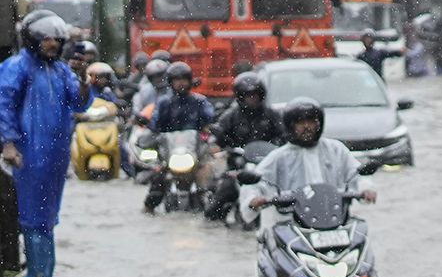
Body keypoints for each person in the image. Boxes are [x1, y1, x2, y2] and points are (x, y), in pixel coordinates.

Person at [0, 10, 88, 277]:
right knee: (33, 218)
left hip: (55, 155)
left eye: (56, 39)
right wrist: (9, 144)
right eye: (47, 39)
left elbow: (79, 102)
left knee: (48, 218)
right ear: (33, 38)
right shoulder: (17, 67)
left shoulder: (61, 70)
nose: (53, 44)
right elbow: (5, 106)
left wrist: (84, 79)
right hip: (28, 154)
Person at [247, 98, 376, 230]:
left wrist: (366, 189)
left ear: (319, 123)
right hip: (291, 225)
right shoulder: (279, 157)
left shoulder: (336, 149)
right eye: (300, 122)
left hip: (336, 222)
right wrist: (254, 199)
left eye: (311, 121)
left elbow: (356, 173)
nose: (307, 126)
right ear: (290, 125)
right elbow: (256, 183)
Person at [203, 71, 285, 221]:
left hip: (266, 168)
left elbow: (284, 134)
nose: (252, 99)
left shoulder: (271, 115)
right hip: (238, 168)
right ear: (240, 97)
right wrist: (215, 144)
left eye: (255, 95)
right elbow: (218, 133)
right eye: (248, 95)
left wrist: (279, 145)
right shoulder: (231, 116)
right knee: (216, 205)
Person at [138, 61, 215, 214]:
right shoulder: (164, 103)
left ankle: (212, 211)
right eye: (177, 79)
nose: (181, 83)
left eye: (184, 79)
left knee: (211, 180)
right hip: (170, 155)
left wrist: (211, 128)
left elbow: (210, 120)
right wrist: (148, 133)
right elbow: (155, 124)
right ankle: (147, 209)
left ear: (189, 80)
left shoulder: (199, 101)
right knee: (158, 179)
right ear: (170, 82)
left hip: (196, 153)